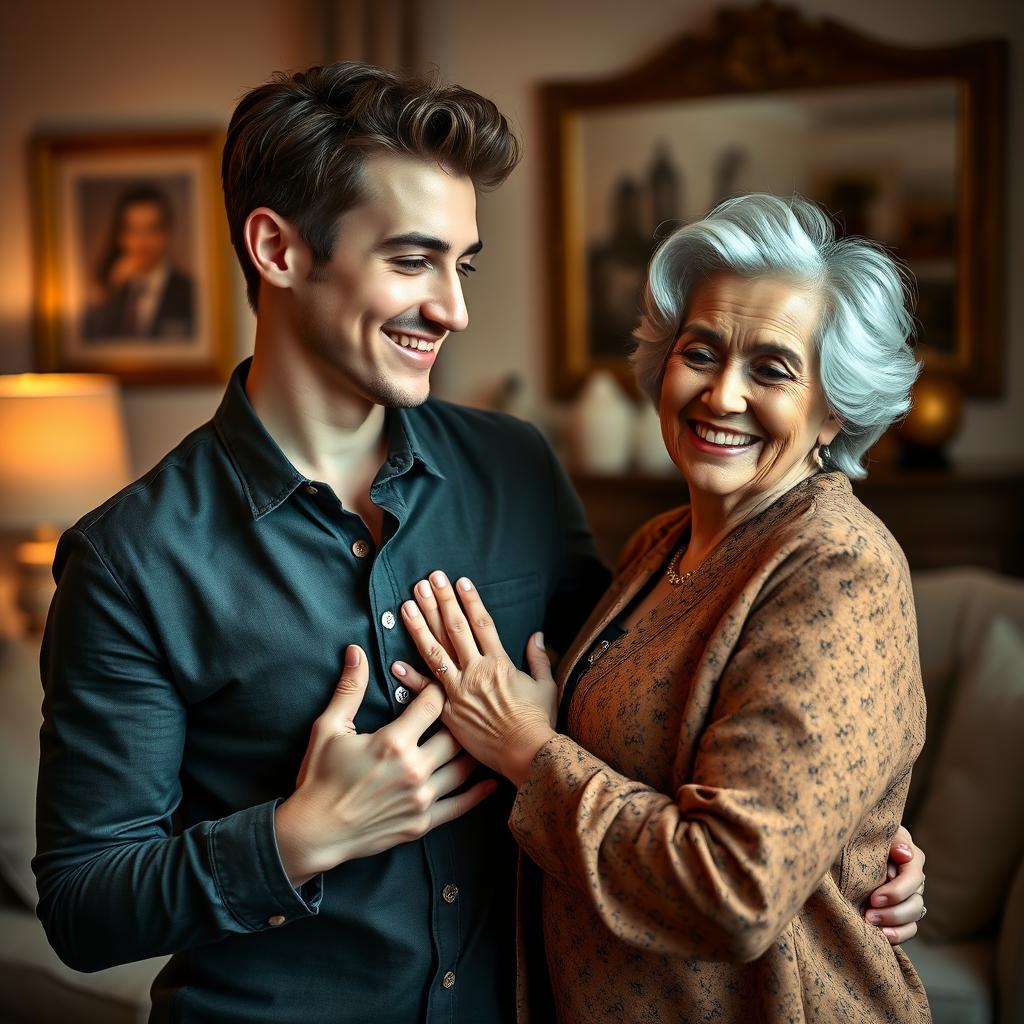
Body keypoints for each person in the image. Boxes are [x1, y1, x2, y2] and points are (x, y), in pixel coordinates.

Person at [34, 62, 925, 1024]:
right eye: (414, 261)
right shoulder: (130, 559)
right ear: (277, 249)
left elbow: (634, 711)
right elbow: (84, 906)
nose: (454, 310)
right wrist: (295, 838)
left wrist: (845, 833)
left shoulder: (516, 470)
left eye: (463, 266)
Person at [393, 194, 931, 1022]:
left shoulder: (837, 567)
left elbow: (733, 891)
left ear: (834, 407)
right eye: (702, 351)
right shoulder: (659, 544)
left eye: (773, 369)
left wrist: (529, 751)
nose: (721, 395)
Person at [83, 184, 195, 340]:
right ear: (121, 236)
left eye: (151, 229)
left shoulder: (190, 293)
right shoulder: (109, 292)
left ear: (166, 234)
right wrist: (107, 293)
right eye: (133, 230)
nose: (142, 242)